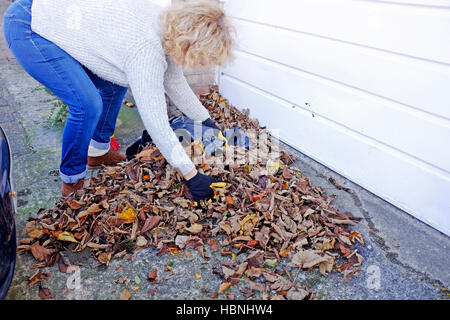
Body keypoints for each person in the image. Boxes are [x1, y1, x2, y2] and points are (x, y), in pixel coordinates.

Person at [2, 0, 235, 200]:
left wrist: (207, 122)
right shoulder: (146, 49)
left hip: (57, 18)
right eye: (204, 55)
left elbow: (176, 84)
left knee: (114, 85)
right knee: (86, 104)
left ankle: (98, 152)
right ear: (189, 42)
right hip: (29, 25)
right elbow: (157, 124)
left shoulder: (169, 29)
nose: (204, 63)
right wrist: (191, 176)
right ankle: (72, 182)